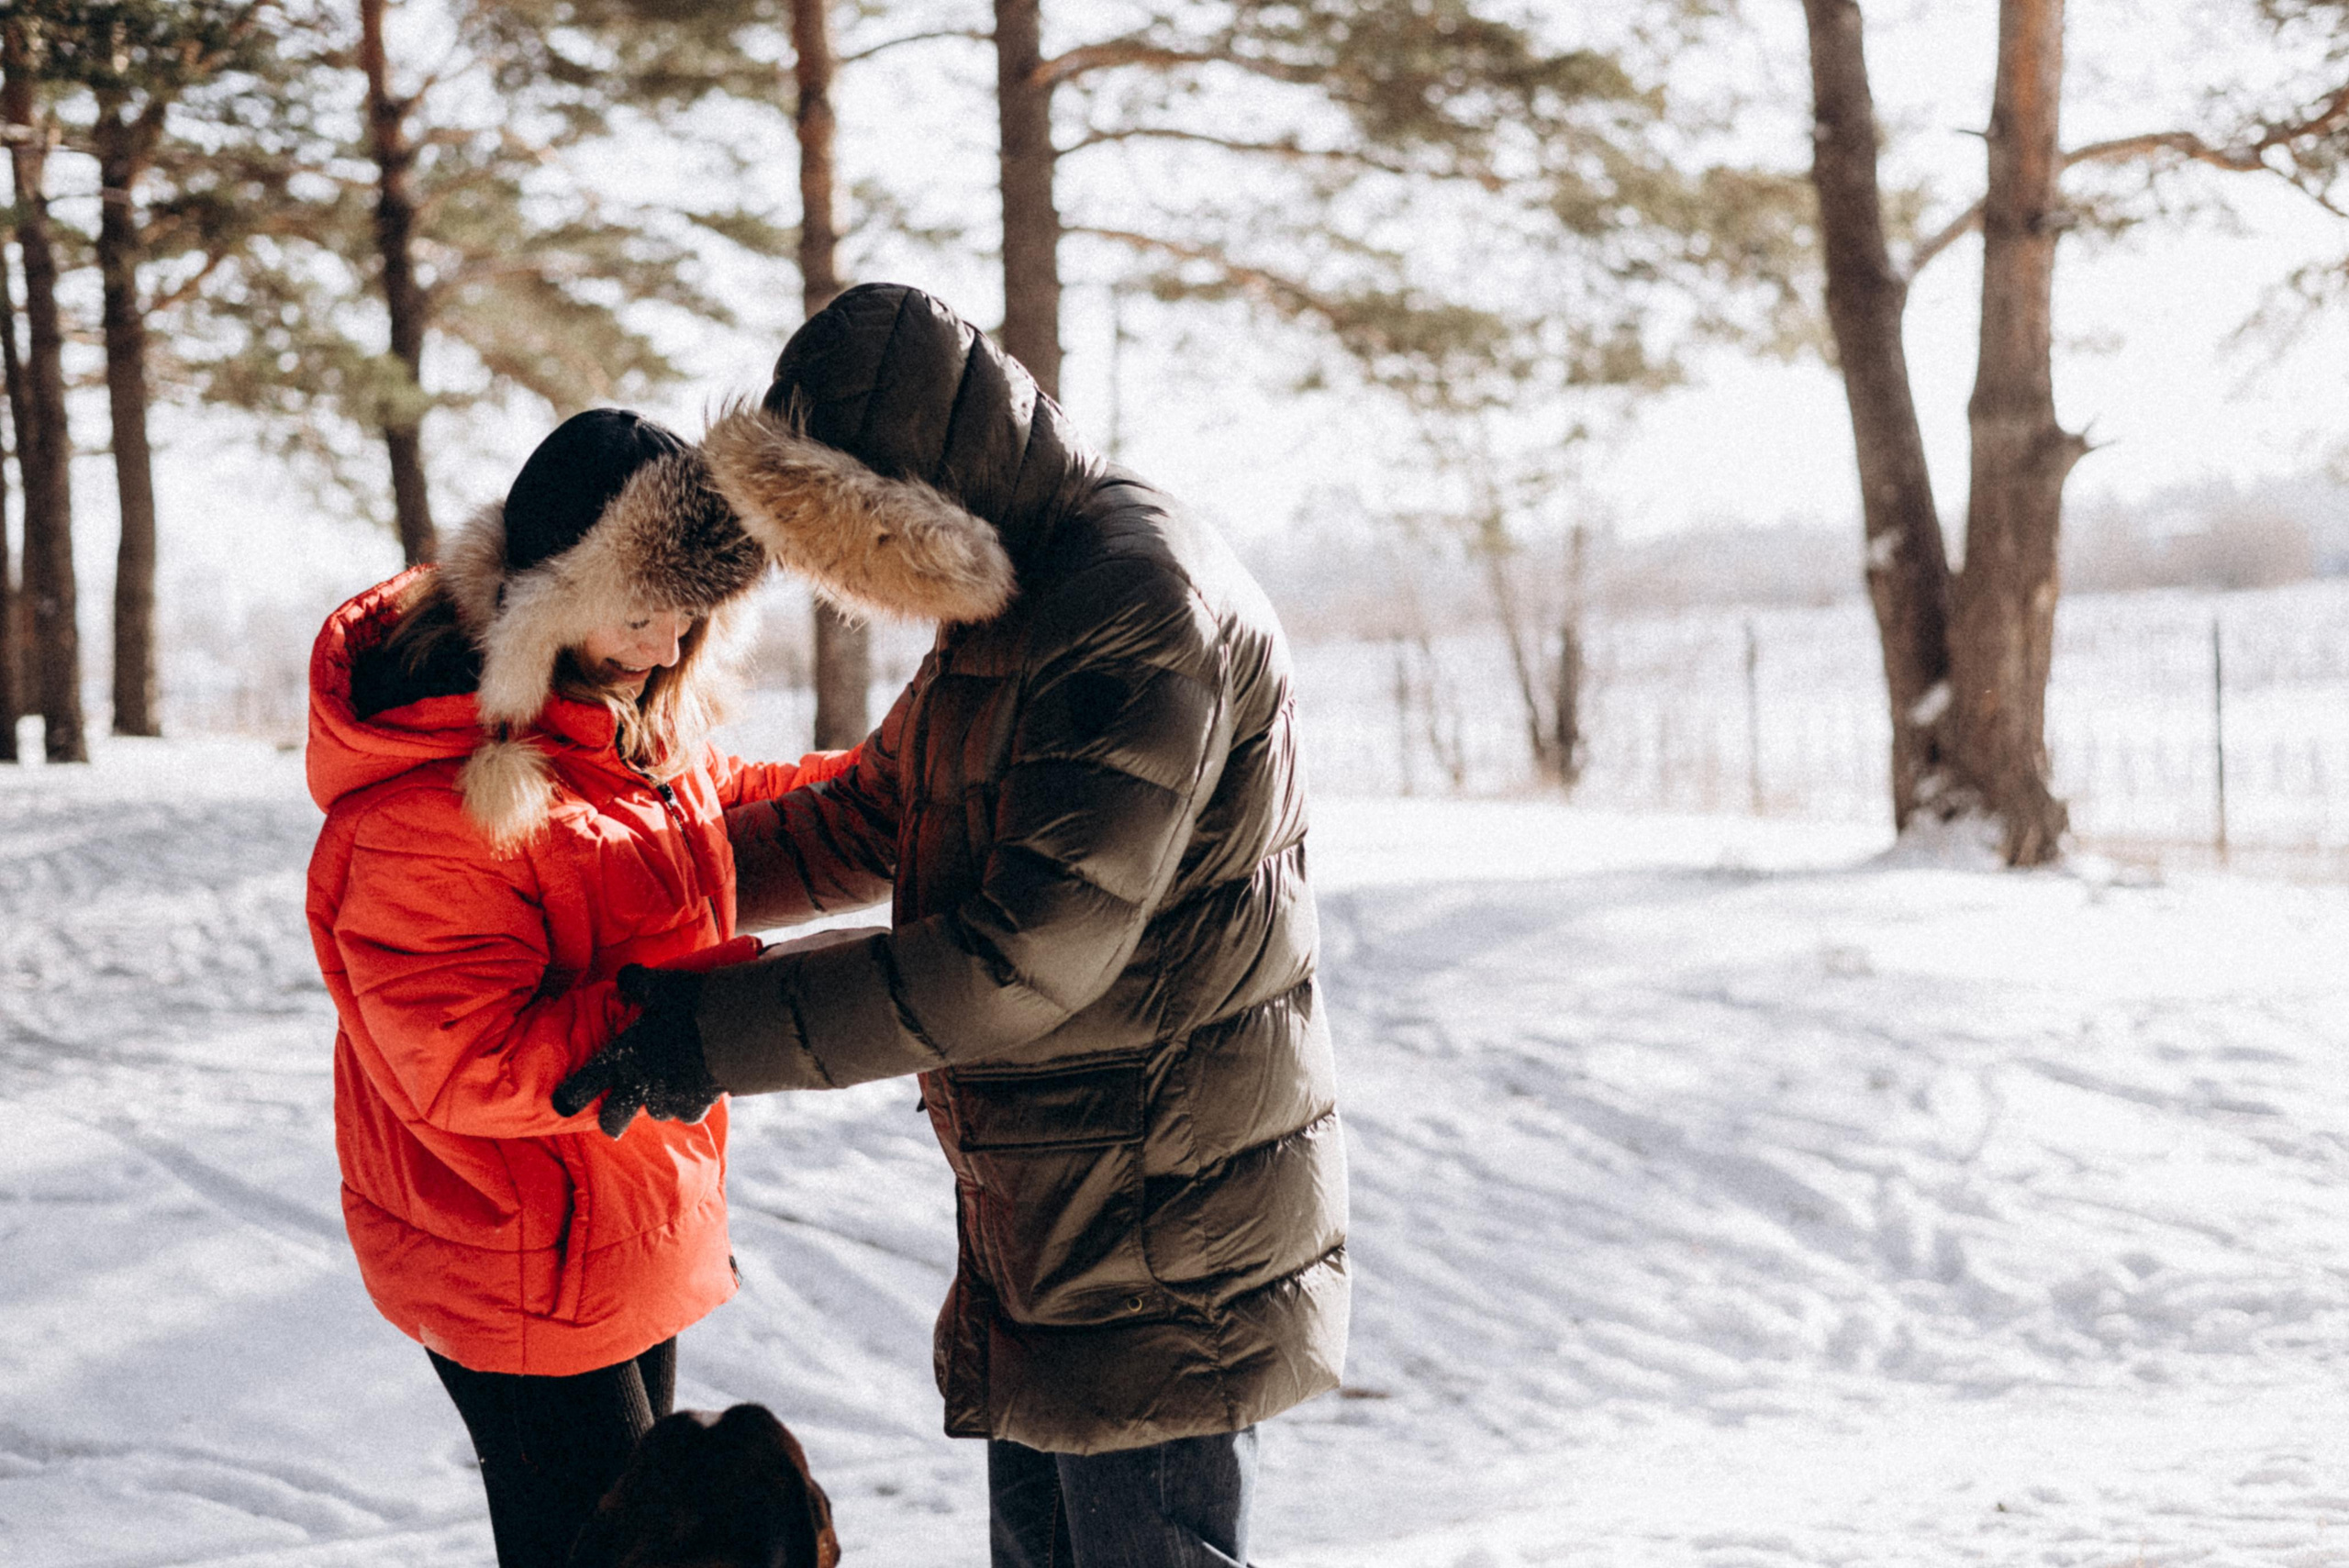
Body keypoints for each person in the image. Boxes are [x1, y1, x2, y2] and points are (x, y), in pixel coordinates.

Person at [555, 284, 1350, 1568]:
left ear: (918, 495)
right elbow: (880, 807)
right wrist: (638, 879)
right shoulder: (1027, 596)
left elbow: (1022, 955)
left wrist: (709, 1030)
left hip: (1158, 1233)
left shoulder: (1135, 610)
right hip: (1062, 1211)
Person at [305, 409, 852, 1568]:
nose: (662, 646)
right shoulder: (432, 803)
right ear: (543, 589)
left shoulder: (614, 731)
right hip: (517, 1258)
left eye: (688, 615)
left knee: (650, 1538)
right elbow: (459, 1053)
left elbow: (716, 806)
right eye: (638, 608)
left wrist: (897, 789)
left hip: (609, 1225)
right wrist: (688, 1028)